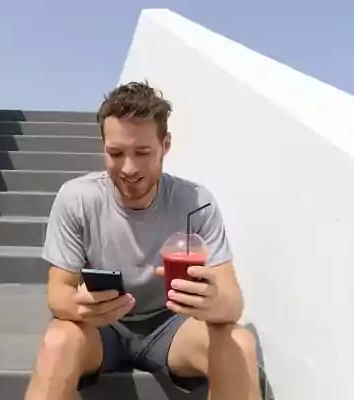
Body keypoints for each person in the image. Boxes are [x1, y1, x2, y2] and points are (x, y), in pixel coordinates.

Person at [24, 81, 262, 400]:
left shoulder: (196, 202)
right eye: (116, 153)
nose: (129, 168)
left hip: (172, 326)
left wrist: (212, 301)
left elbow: (232, 303)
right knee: (58, 341)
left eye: (143, 152)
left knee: (239, 343)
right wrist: (80, 305)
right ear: (102, 146)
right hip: (101, 328)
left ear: (165, 145)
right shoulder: (76, 198)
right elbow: (58, 293)